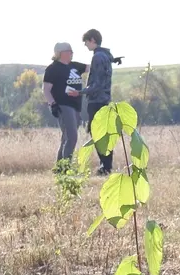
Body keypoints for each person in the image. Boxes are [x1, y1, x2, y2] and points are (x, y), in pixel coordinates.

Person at [82, 29, 121, 175]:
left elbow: (96, 83)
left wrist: (80, 92)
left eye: (86, 42)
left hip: (96, 100)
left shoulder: (97, 57)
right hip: (105, 100)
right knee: (104, 133)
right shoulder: (105, 55)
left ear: (92, 40)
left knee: (97, 134)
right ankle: (106, 166)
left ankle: (105, 167)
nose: (85, 46)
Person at [42, 43, 87, 165]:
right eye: (69, 51)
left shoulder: (75, 66)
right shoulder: (53, 68)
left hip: (76, 106)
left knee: (66, 137)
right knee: (72, 136)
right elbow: (46, 89)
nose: (72, 53)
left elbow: (92, 68)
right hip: (63, 105)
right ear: (60, 53)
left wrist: (108, 59)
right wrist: (53, 104)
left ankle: (60, 167)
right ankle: (66, 168)